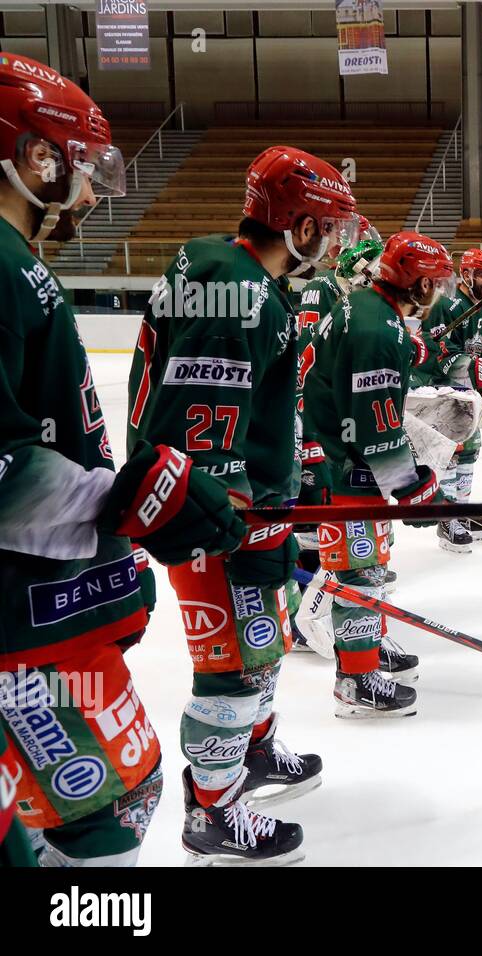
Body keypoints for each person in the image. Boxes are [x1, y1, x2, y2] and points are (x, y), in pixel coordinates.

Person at [0, 53, 242, 868]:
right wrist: (122, 500)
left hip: (39, 614)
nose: (92, 192)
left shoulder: (16, 265)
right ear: (36, 155)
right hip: (20, 629)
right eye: (81, 166)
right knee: (107, 808)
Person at [127, 144, 359, 864]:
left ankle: (252, 753)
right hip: (217, 519)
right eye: (328, 225)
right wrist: (228, 517)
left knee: (265, 645)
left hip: (246, 505)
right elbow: (201, 422)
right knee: (231, 665)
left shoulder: (218, 263)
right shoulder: (244, 292)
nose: (333, 241)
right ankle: (213, 810)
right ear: (299, 223)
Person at [299, 233, 468, 718]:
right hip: (341, 466)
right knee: (359, 573)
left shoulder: (371, 310)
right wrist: (412, 487)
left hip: (343, 456)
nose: (440, 292)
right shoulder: (378, 330)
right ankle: (356, 681)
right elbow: (374, 429)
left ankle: (370, 645)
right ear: (415, 284)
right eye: (435, 282)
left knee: (372, 563)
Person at [412, 248, 482, 551]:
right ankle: (448, 519)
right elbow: (437, 354)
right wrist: (479, 370)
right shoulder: (446, 305)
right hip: (440, 390)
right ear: (466, 275)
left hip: (467, 392)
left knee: (470, 451)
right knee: (452, 453)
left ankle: (462, 510)